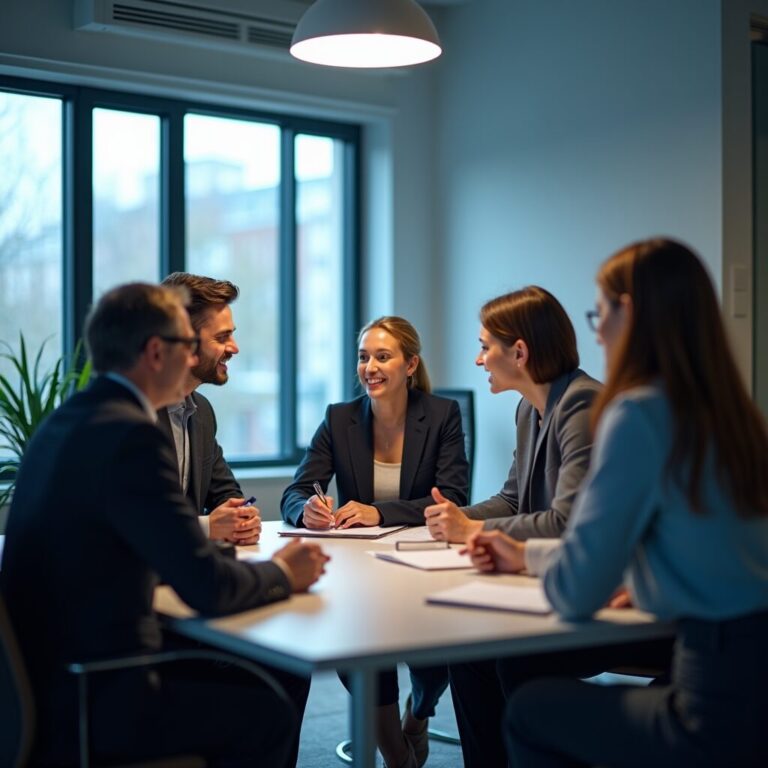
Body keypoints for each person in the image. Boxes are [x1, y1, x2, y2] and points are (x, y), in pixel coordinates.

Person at [466, 238, 768, 768]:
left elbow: (577, 591)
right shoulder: (733, 414)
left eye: (599, 313)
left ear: (627, 313)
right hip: (753, 683)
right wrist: (535, 556)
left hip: (712, 708)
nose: (598, 331)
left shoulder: (636, 415)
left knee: (530, 709)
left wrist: (569, 569)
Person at [0, 283, 330, 767]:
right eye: (186, 345)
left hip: (42, 686)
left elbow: (126, 547)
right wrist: (284, 572)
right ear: (157, 352)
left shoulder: (69, 420)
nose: (193, 356)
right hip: (98, 694)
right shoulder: (131, 435)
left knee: (268, 671)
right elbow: (208, 588)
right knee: (268, 711)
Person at [281, 316, 469, 768]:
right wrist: (305, 509)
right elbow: (295, 491)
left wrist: (378, 511)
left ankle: (418, 714)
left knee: (437, 656)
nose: (370, 367)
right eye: (364, 357)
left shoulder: (442, 415)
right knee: (357, 643)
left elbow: (453, 497)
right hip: (360, 566)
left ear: (410, 365)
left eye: (383, 356)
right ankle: (397, 756)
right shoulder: (339, 418)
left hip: (424, 562)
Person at [426, 287, 601, 768]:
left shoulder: (583, 405)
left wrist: (469, 532)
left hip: (600, 598)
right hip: (547, 580)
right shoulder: (529, 408)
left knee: (510, 656)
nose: (478, 359)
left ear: (519, 352)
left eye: (485, 347)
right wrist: (457, 518)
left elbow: (566, 521)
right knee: (466, 647)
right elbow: (511, 499)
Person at [158, 272, 260, 546]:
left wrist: (239, 516)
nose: (234, 348)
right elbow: (130, 520)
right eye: (222, 337)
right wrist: (206, 527)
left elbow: (224, 491)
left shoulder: (200, 411)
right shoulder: (131, 415)